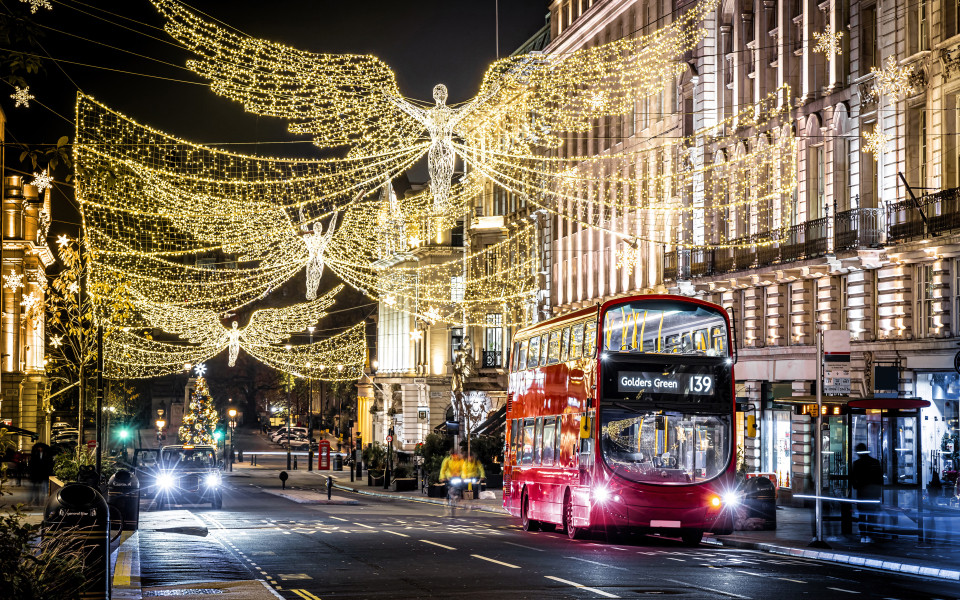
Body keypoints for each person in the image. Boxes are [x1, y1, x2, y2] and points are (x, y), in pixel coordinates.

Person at [851, 442, 883, 543]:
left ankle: (863, 535)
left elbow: (854, 480)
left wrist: (857, 486)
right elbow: (879, 480)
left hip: (862, 494)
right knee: (871, 516)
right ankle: (869, 535)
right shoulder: (875, 462)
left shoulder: (857, 464)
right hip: (873, 495)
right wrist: (878, 494)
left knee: (862, 515)